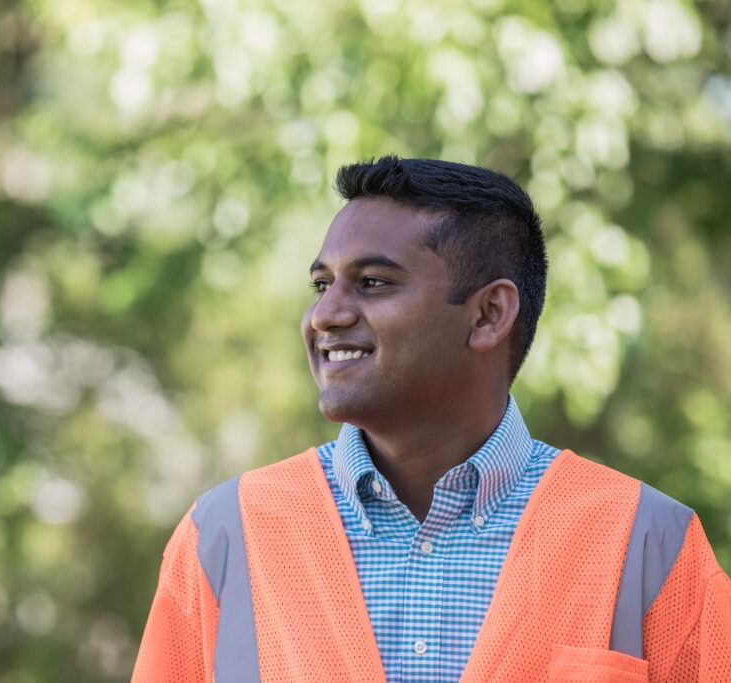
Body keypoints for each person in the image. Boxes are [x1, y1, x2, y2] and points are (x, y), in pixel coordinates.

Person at [131, 156, 731, 682]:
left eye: (371, 282)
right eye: (321, 285)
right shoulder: (221, 537)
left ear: (488, 315)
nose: (325, 315)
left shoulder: (650, 543)